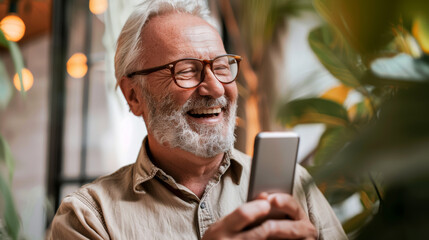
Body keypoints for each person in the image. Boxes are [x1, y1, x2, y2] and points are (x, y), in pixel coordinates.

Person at [50, 0, 347, 239]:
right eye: (186, 70)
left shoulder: (296, 185)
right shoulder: (88, 218)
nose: (216, 87)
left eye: (221, 66)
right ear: (133, 96)